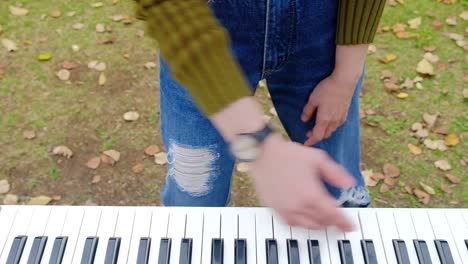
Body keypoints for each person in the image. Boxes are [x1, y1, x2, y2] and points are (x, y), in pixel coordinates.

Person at [133, 0, 386, 231]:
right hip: (199, 31)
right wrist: (261, 148)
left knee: (340, 192)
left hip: (320, 33)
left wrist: (346, 75)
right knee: (193, 206)